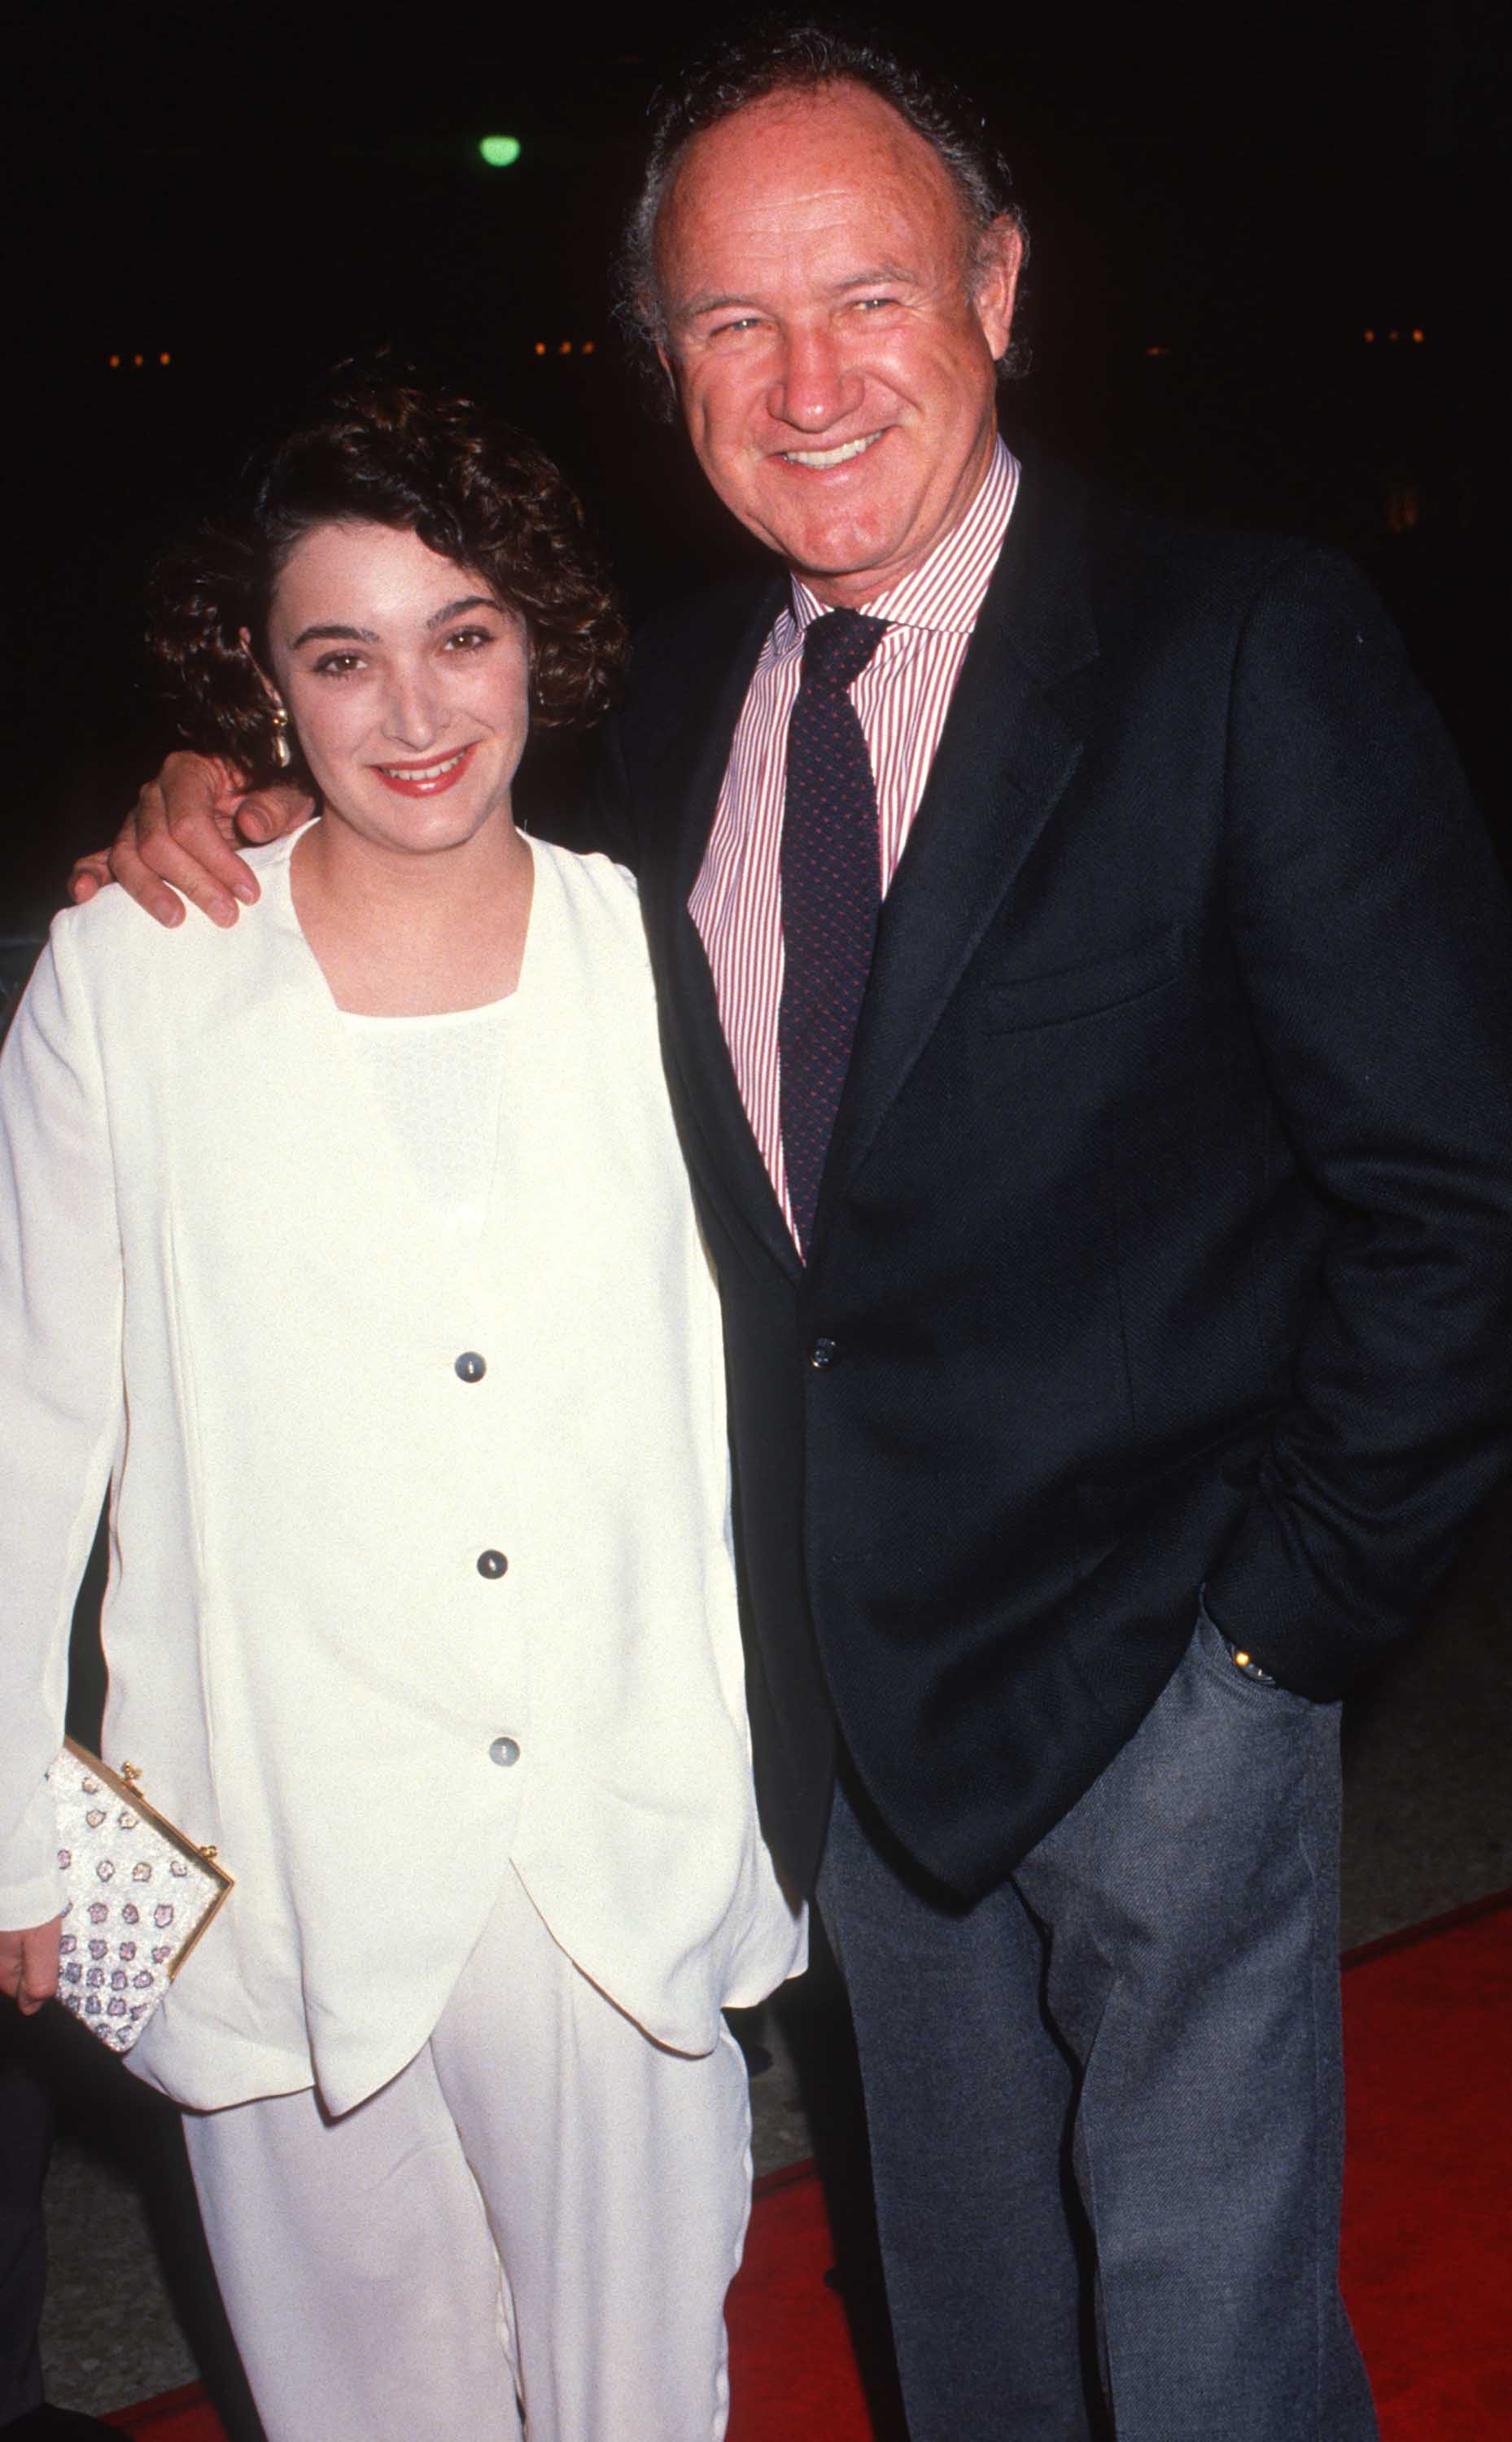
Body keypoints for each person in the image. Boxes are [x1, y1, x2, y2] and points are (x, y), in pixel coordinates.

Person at [73, 26, 1512, 2442]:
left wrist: (1277, 1637)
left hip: (1169, 1658)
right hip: (839, 1705)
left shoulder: (1239, 644)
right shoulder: (676, 701)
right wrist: (205, 797)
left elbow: (1456, 1198)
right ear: (667, 366)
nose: (808, 379)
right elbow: (421, 818)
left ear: (1002, 286)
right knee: (953, 2311)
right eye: (733, 323)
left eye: (869, 295)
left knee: (1202, 2325)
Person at [1, 377, 805, 2442]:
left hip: (610, 1844)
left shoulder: (668, 957)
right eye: (339, 654)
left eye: (463, 633)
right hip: (267, 1837)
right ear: (260, 691)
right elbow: (30, 1419)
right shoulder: (131, 978)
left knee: (639, 2405)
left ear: (541, 636)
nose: (414, 708)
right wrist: (12, 1825)